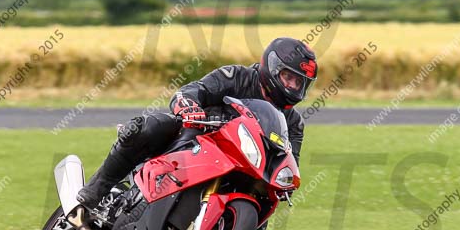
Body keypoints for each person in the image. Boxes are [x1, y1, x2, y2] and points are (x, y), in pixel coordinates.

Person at [76, 37, 318, 209]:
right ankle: (97, 188)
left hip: (240, 167)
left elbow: (288, 160)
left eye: (300, 83)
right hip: (197, 141)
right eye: (289, 77)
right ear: (272, 67)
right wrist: (189, 105)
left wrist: (286, 181)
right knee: (146, 127)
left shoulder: (294, 124)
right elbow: (194, 90)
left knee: (267, 199)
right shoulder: (237, 76)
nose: (293, 87)